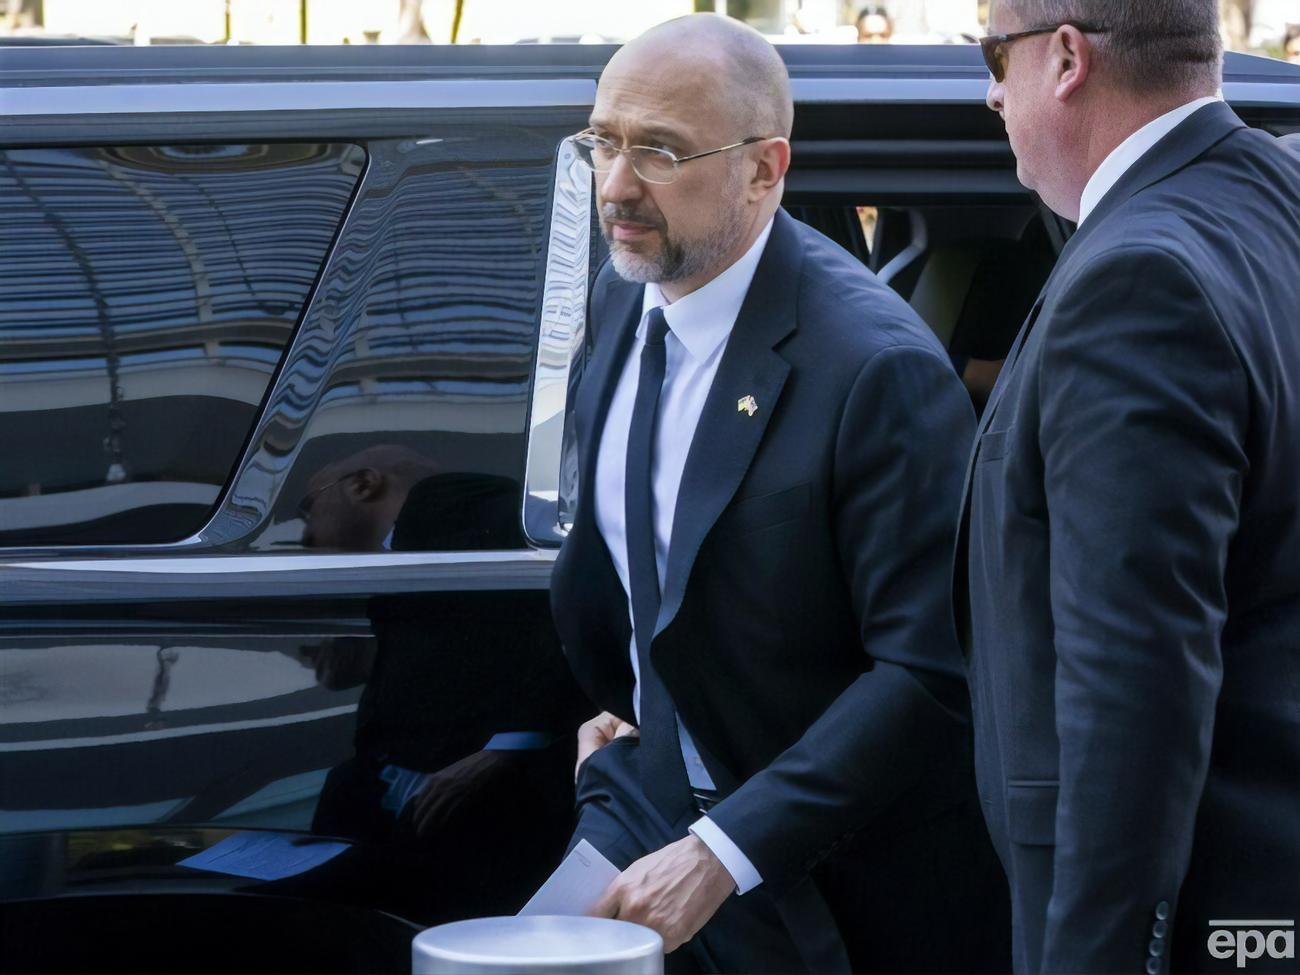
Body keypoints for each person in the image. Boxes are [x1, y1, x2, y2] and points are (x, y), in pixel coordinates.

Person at [551, 13, 1008, 974]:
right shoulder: (624, 292)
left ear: (765, 169)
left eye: (660, 151)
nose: (617, 185)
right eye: (603, 142)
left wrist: (726, 851)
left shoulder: (875, 369)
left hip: (822, 884)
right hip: (646, 801)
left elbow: (932, 671)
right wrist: (639, 707)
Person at [960, 1, 1300, 972]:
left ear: (1067, 57)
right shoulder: (1272, 191)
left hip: (1204, 914)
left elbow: (1133, 700)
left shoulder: (1137, 280)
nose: (990, 94)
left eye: (995, 56)